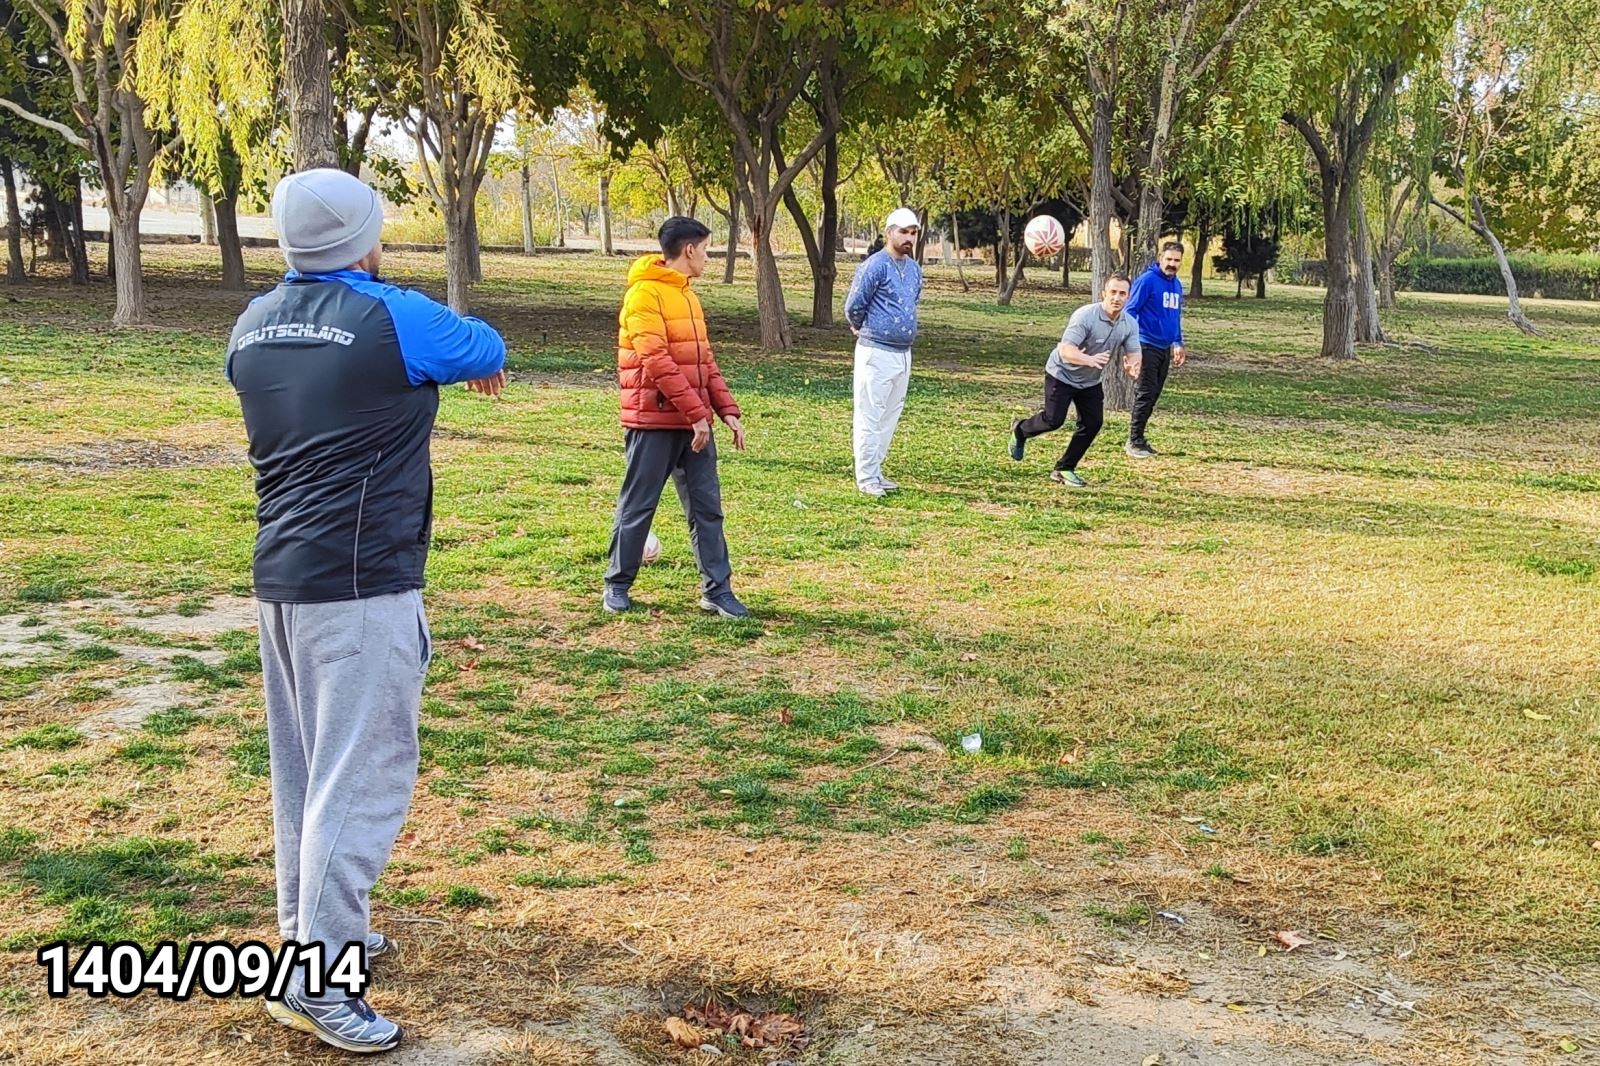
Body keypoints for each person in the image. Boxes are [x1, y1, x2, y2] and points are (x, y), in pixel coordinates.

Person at [226, 168, 506, 1053]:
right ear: (365, 237)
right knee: (360, 781)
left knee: (307, 774)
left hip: (281, 580)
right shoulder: (393, 317)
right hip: (361, 585)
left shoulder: (251, 323)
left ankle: (308, 937)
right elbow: (486, 345)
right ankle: (316, 978)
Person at [604, 216, 749, 619]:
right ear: (688, 250)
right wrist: (697, 414)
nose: (707, 258)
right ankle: (617, 584)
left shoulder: (687, 296)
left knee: (707, 508)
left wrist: (726, 410)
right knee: (638, 506)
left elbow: (703, 361)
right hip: (653, 420)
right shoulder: (643, 295)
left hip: (694, 422)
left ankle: (717, 590)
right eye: (705, 250)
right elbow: (656, 361)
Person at [1008, 273, 1141, 487]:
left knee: (1093, 423)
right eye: (1113, 292)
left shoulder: (1129, 324)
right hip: (1061, 374)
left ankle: (1064, 468)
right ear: (1104, 293)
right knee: (1053, 420)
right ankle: (1020, 429)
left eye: (1122, 293)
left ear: (1128, 297)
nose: (1117, 298)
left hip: (1090, 381)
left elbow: (1134, 353)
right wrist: (1089, 360)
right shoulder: (1085, 316)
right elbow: (1065, 350)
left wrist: (1133, 366)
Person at [845, 207, 923, 497]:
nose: (908, 238)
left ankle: (876, 470)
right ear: (889, 232)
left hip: (903, 353)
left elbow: (912, 301)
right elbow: (854, 305)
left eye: (913, 233)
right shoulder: (875, 266)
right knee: (870, 414)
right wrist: (861, 327)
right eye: (903, 231)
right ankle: (866, 476)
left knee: (890, 415)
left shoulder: (914, 269)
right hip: (876, 351)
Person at [1123, 240, 1188, 458]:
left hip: (1164, 348)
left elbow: (1175, 317)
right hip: (1146, 345)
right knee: (1146, 392)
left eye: (1176, 260)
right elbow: (1130, 311)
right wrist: (1132, 343)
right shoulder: (1147, 281)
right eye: (1168, 259)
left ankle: (1140, 438)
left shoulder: (1177, 285)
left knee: (1154, 394)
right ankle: (1134, 441)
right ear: (1160, 258)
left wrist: (1177, 342)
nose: (1172, 264)